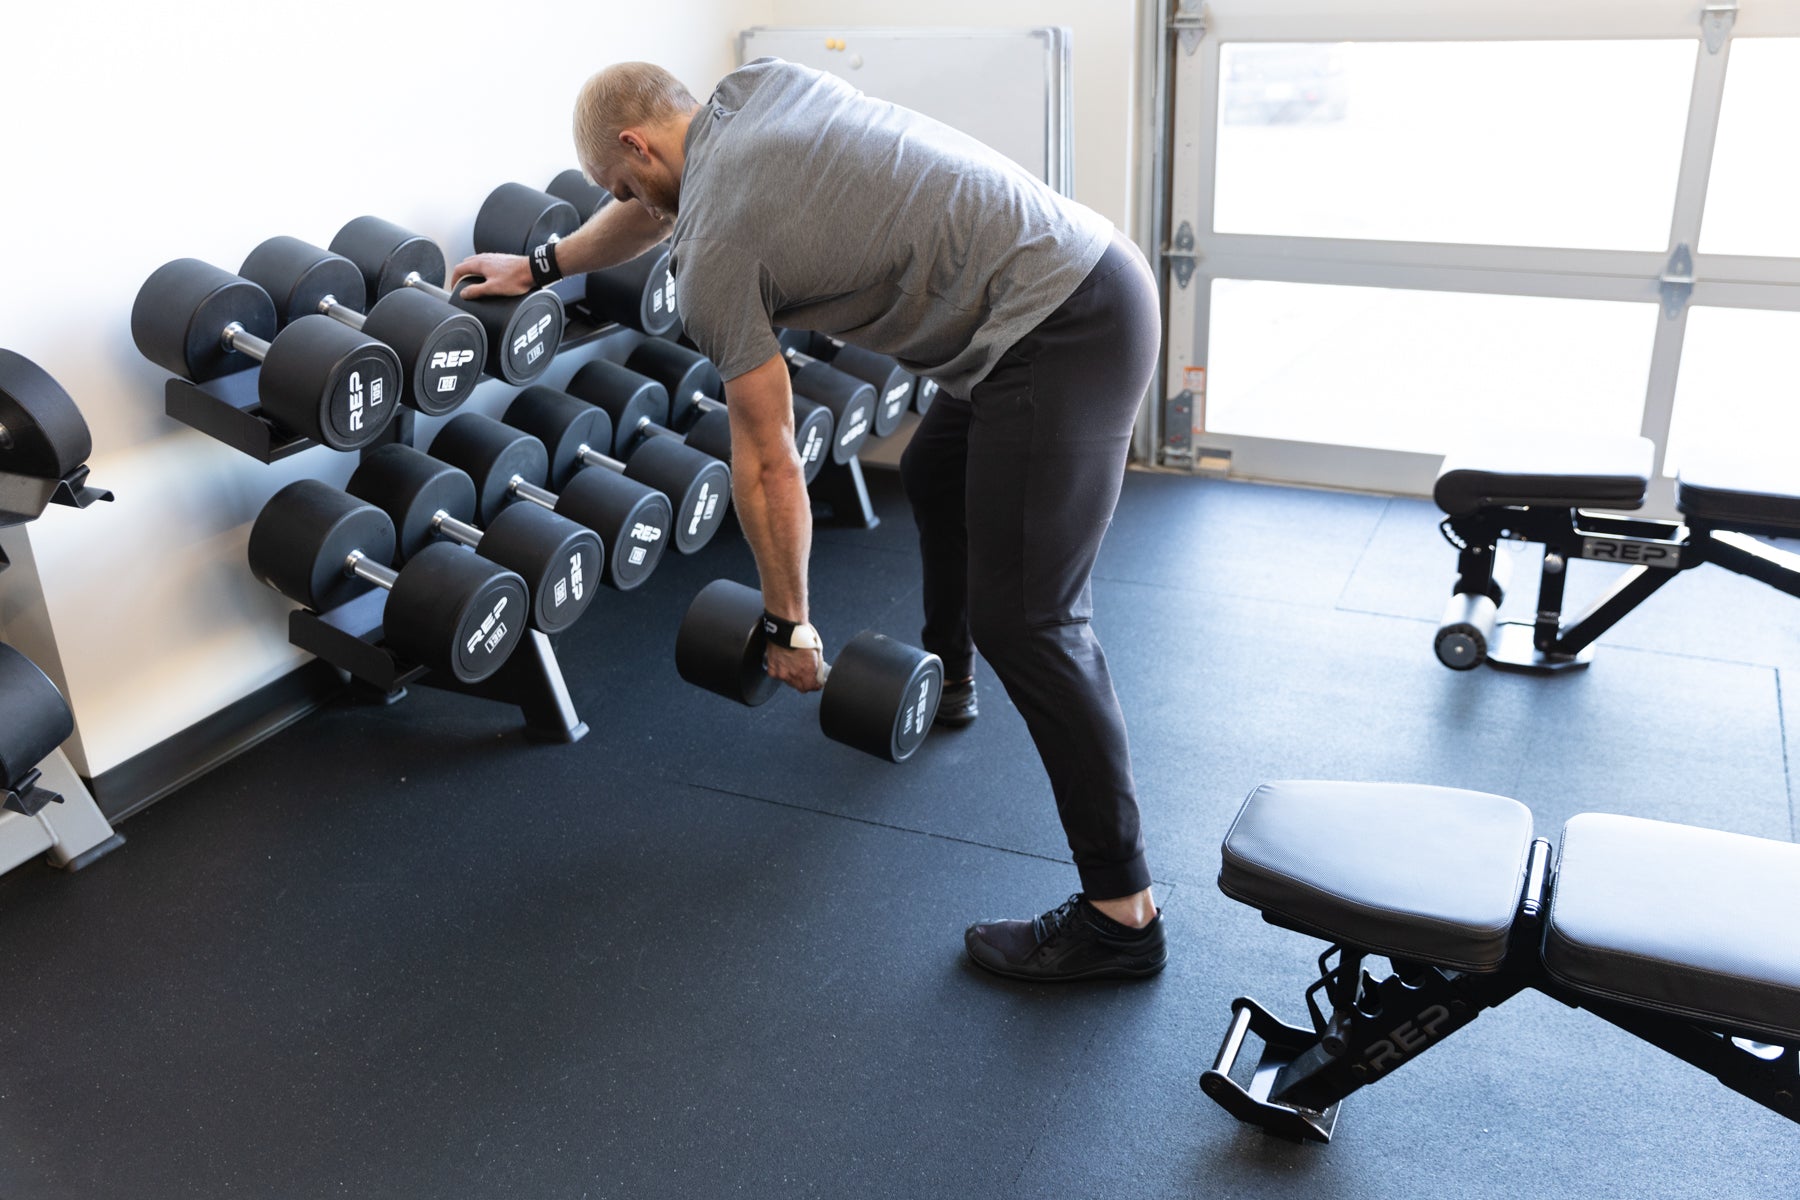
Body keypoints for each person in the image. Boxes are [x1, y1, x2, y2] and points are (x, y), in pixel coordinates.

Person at [455, 58, 1166, 982]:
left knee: (1032, 621)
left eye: (622, 184)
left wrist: (789, 622)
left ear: (636, 144)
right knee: (933, 469)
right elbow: (656, 206)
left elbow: (766, 456)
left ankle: (1122, 913)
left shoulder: (716, 252)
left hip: (1064, 329)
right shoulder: (754, 91)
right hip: (1073, 275)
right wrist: (544, 265)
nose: (631, 205)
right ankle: (949, 678)